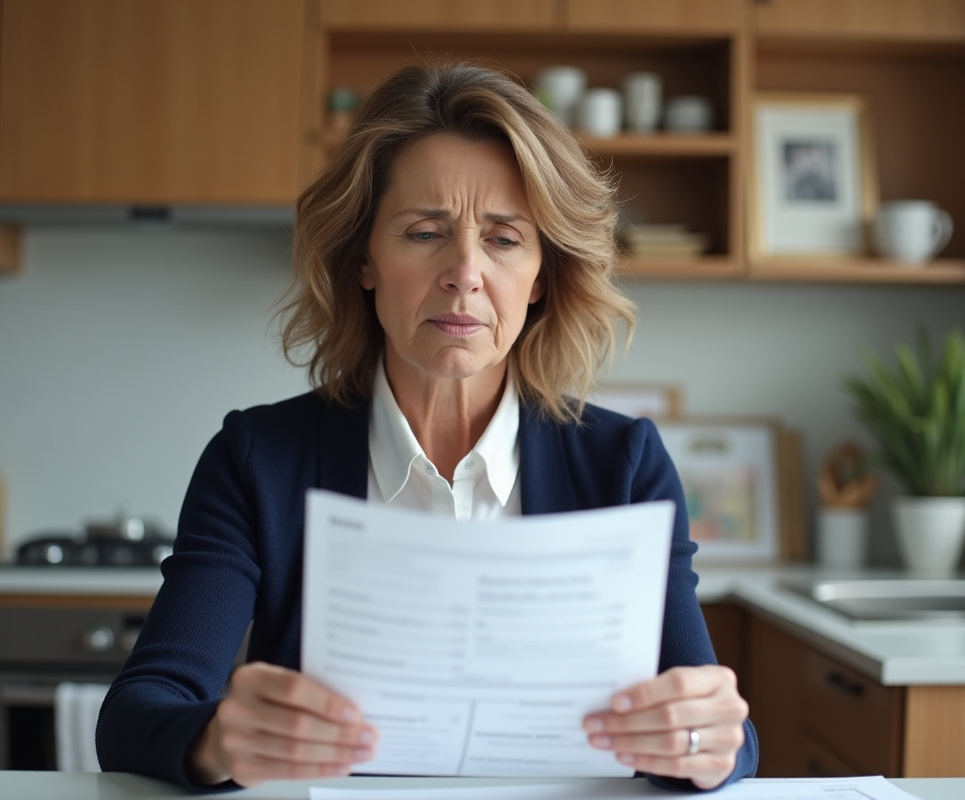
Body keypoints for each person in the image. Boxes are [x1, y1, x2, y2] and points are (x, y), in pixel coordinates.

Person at [97, 61, 758, 792]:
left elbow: (727, 740)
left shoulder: (623, 463)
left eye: (505, 239)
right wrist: (219, 741)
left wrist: (705, 740)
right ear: (364, 260)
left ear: (541, 276)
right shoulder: (257, 459)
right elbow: (136, 716)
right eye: (423, 232)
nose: (464, 272)